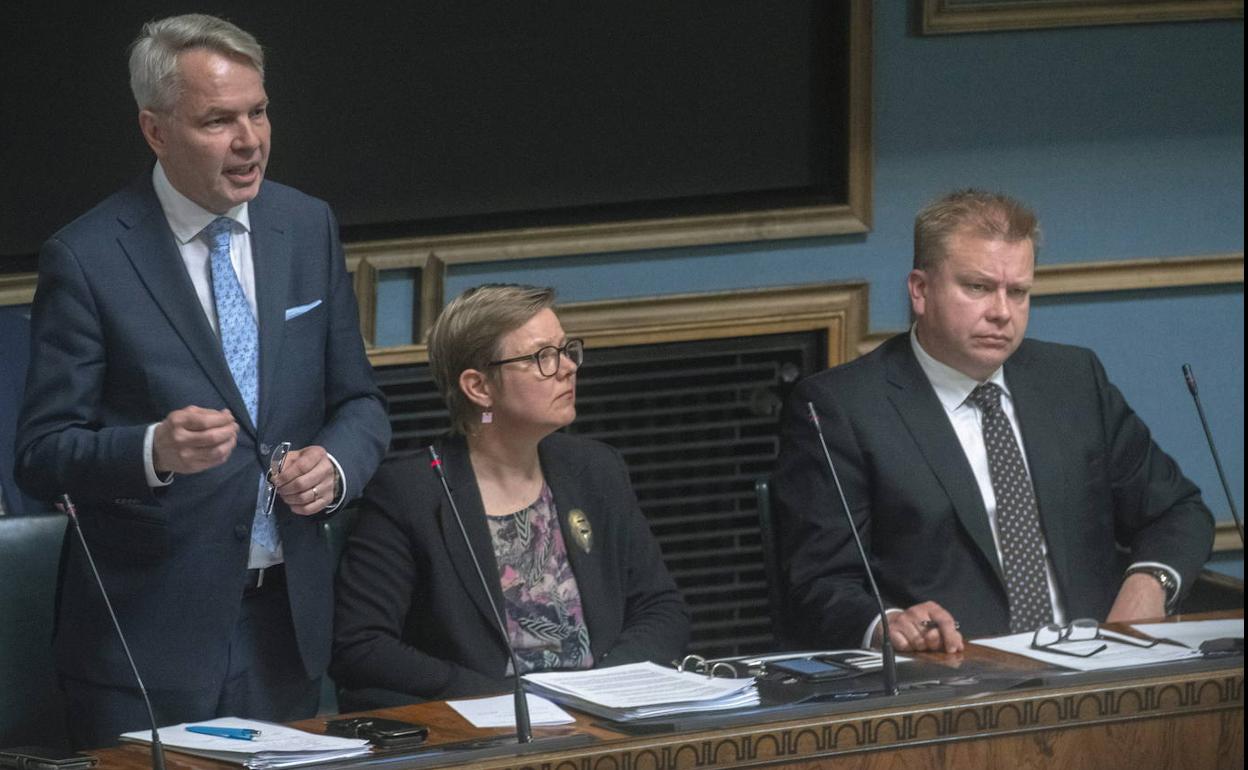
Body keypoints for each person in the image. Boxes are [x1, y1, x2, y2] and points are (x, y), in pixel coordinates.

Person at [15, 14, 390, 746]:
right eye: (219, 121)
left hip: (286, 626)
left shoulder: (305, 225)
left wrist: (337, 466)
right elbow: (40, 455)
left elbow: (361, 403)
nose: (250, 140)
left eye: (258, 111)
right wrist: (152, 449)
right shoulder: (88, 258)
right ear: (156, 131)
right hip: (147, 643)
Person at [773, 189, 1214, 654]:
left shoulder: (1072, 381)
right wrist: (885, 623)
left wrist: (1150, 582)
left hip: (1099, 669)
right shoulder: (842, 408)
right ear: (920, 290)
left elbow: (1178, 511)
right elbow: (817, 583)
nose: (1002, 312)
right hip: (951, 684)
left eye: (1018, 292)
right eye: (978, 287)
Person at [332, 284, 689, 708]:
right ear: (479, 388)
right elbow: (361, 645)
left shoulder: (596, 470)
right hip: (483, 732)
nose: (568, 367)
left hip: (604, 719)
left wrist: (604, 689)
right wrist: (502, 700)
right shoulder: (410, 492)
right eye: (543, 357)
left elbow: (662, 608)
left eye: (566, 349)